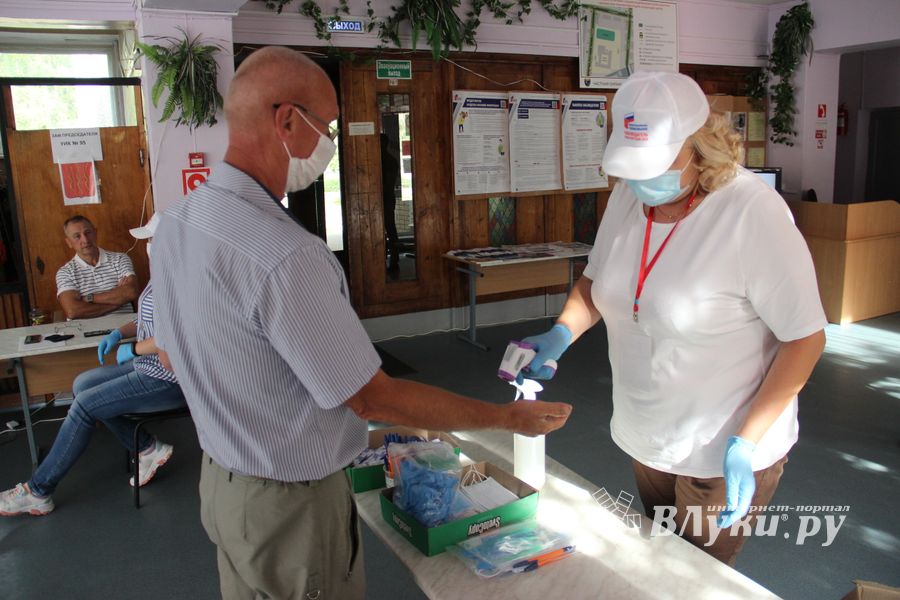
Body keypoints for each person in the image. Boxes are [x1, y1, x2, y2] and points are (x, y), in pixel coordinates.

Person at [151, 46, 571, 600]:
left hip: (225, 486)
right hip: (289, 506)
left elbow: (182, 350)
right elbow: (371, 398)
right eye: (323, 126)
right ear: (285, 121)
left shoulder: (179, 222)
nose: (328, 143)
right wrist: (505, 418)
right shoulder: (285, 255)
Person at [512, 71, 826, 566]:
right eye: (629, 171)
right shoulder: (630, 196)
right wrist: (561, 332)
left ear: (700, 149)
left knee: (694, 580)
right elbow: (597, 284)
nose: (638, 184)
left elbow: (805, 338)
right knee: (661, 563)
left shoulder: (752, 213)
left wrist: (748, 440)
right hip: (647, 435)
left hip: (721, 452)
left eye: (652, 167)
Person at [1, 214, 185, 516]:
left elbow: (173, 336)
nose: (148, 245)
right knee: (82, 384)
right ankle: (148, 448)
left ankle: (38, 490)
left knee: (86, 404)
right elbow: (145, 316)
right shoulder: (163, 271)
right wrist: (119, 332)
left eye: (152, 239)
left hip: (166, 378)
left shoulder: (180, 277)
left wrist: (136, 349)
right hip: (149, 367)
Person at [56, 215, 139, 319]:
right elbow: (73, 311)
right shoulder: (65, 272)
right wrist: (118, 302)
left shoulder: (119, 259)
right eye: (77, 236)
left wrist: (89, 298)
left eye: (88, 233)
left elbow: (131, 292)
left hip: (124, 328)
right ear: (69, 242)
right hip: (86, 332)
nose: (85, 240)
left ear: (95, 233)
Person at [380, 133, 401, 272]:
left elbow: (387, 184)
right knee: (390, 228)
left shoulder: (380, 161)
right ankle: (394, 257)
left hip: (385, 198)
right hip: (388, 198)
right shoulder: (391, 160)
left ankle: (392, 258)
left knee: (389, 228)